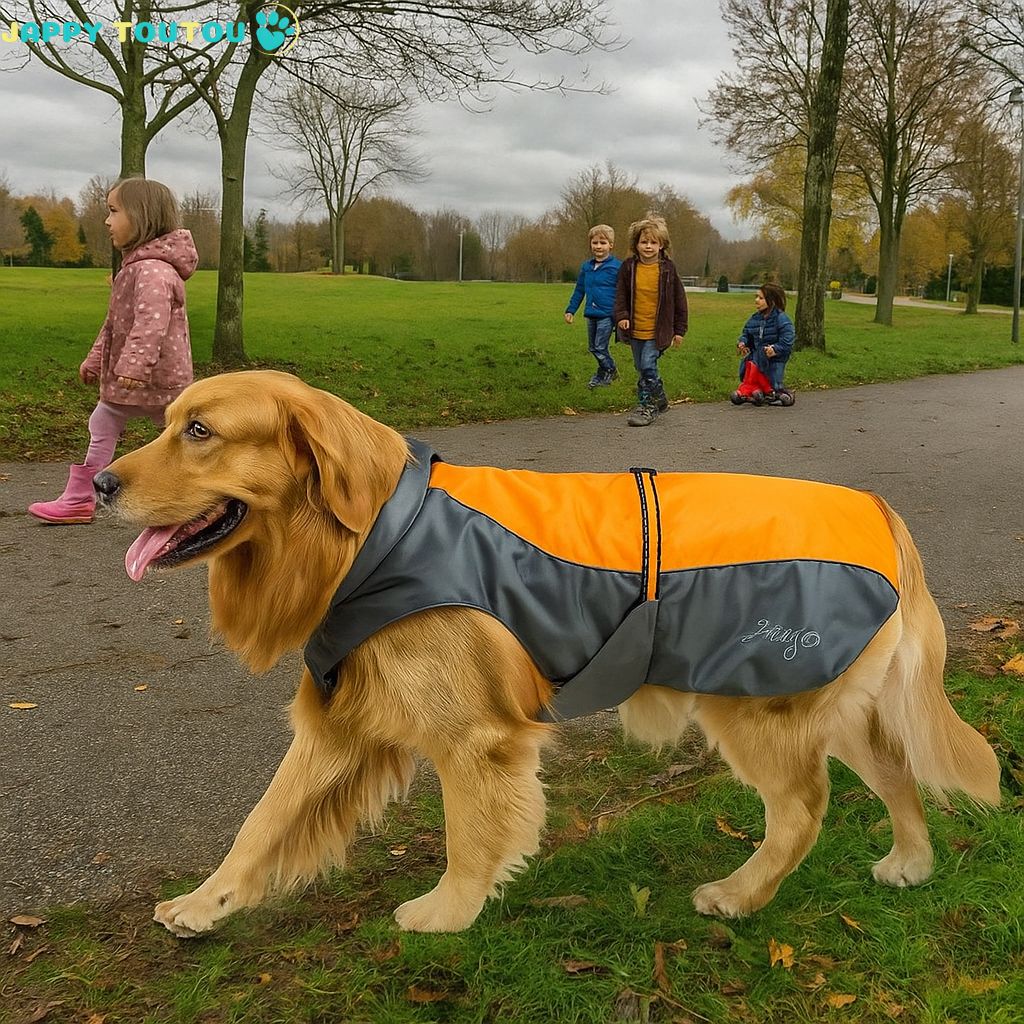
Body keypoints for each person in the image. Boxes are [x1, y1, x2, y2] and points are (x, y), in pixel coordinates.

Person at [28, 178, 198, 524]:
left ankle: (186, 500)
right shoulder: (134, 268)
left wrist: (134, 366)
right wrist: (94, 360)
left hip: (156, 379)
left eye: (113, 211)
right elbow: (114, 324)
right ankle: (80, 498)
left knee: (172, 437)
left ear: (141, 216)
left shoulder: (152, 271)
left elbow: (151, 324)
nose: (107, 220)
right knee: (107, 422)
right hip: (136, 378)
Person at [613, 215, 687, 427]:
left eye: (653, 242)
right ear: (636, 244)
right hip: (635, 329)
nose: (648, 246)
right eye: (644, 242)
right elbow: (619, 295)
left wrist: (679, 330)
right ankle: (660, 398)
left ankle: (647, 407)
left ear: (661, 245)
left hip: (659, 331)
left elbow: (679, 299)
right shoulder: (628, 267)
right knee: (641, 367)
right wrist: (622, 316)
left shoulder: (667, 269)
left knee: (647, 366)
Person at [563, 224, 622, 388]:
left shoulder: (617, 267)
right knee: (592, 347)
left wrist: (623, 315)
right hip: (591, 313)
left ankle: (609, 371)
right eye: (595, 242)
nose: (598, 246)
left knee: (599, 347)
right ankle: (604, 371)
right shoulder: (586, 267)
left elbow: (624, 293)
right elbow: (579, 290)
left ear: (611, 245)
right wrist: (571, 310)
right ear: (590, 244)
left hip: (607, 314)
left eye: (603, 243)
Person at [730, 283, 795, 407]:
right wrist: (743, 343)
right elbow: (747, 333)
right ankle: (753, 393)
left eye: (761, 298)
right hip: (757, 357)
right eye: (756, 297)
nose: (756, 301)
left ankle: (783, 395)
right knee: (751, 376)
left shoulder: (781, 319)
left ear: (771, 301)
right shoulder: (755, 318)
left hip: (774, 359)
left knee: (774, 384)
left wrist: (775, 349)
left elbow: (788, 339)